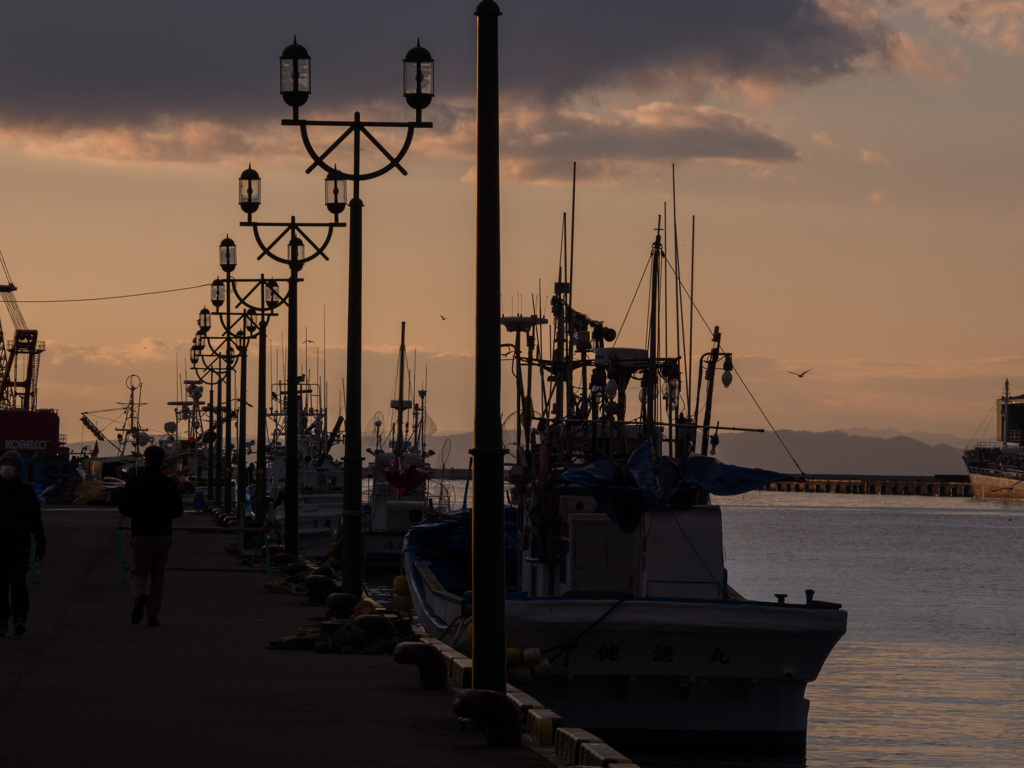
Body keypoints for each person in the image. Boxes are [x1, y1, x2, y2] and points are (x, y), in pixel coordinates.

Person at [119, 445, 183, 627]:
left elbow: (123, 508)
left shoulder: (134, 482)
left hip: (140, 532)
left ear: (145, 460)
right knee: (158, 575)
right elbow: (178, 511)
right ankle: (152, 615)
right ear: (163, 462)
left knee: (139, 571)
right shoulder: (169, 484)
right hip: (163, 533)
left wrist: (139, 513)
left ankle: (140, 595)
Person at [0, 450, 45, 637]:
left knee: (18, 582)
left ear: (18, 469)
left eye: (11, 464)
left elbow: (35, 520)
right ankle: (2, 620)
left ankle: (20, 618)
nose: (6, 467)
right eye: (5, 463)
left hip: (19, 544)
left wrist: (41, 542)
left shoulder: (26, 492)